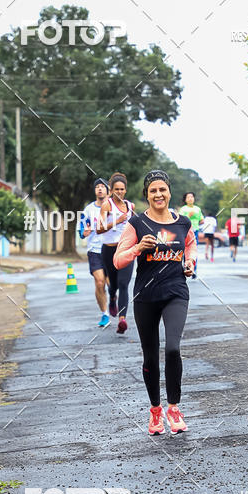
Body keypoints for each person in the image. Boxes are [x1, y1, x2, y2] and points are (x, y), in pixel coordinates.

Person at [114, 169, 197, 435]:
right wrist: (138, 248)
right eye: (153, 191)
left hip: (176, 292)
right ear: (146, 195)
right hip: (146, 296)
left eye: (162, 189)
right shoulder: (136, 225)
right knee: (150, 356)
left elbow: (190, 245)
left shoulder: (183, 222)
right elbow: (118, 260)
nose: (158, 194)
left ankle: (174, 408)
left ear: (169, 191)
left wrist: (189, 262)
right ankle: (155, 412)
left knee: (173, 347)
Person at [97, 173, 135, 334]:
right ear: (111, 190)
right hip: (109, 250)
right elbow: (99, 228)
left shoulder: (130, 206)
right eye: (116, 189)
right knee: (113, 284)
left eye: (122, 189)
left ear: (125, 190)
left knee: (124, 284)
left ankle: (122, 320)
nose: (119, 192)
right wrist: (117, 221)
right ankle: (112, 298)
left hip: (126, 249)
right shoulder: (107, 205)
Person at [78, 177, 110, 328]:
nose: (100, 189)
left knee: (112, 285)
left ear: (107, 190)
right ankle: (105, 314)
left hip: (111, 249)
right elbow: (81, 231)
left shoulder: (113, 208)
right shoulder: (88, 210)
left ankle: (114, 302)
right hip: (95, 251)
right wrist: (85, 232)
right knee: (99, 282)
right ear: (94, 190)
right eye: (97, 187)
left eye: (102, 187)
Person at [179, 192, 204, 278]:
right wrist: (189, 217)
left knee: (193, 250)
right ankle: (185, 267)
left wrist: (196, 223)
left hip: (195, 231)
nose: (190, 198)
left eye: (192, 197)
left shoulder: (197, 209)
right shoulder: (183, 209)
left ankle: (194, 269)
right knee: (185, 250)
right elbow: (180, 220)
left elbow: (202, 220)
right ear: (185, 200)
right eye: (188, 197)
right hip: (185, 231)